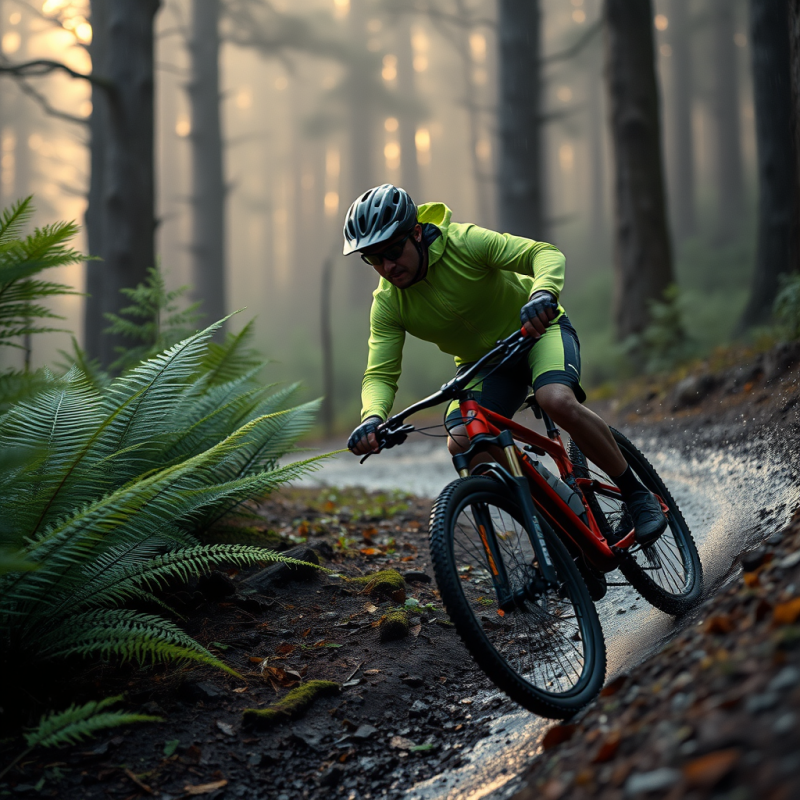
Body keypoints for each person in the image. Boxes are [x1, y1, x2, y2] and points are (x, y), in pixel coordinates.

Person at [343, 183, 667, 546]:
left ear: (416, 233)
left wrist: (542, 293)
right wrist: (372, 417)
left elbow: (543, 254)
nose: (387, 266)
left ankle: (637, 495)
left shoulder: (465, 242)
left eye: (393, 250)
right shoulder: (388, 304)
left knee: (555, 399)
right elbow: (380, 373)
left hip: (538, 332)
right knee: (463, 440)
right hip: (485, 365)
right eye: (373, 258)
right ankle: (566, 518)